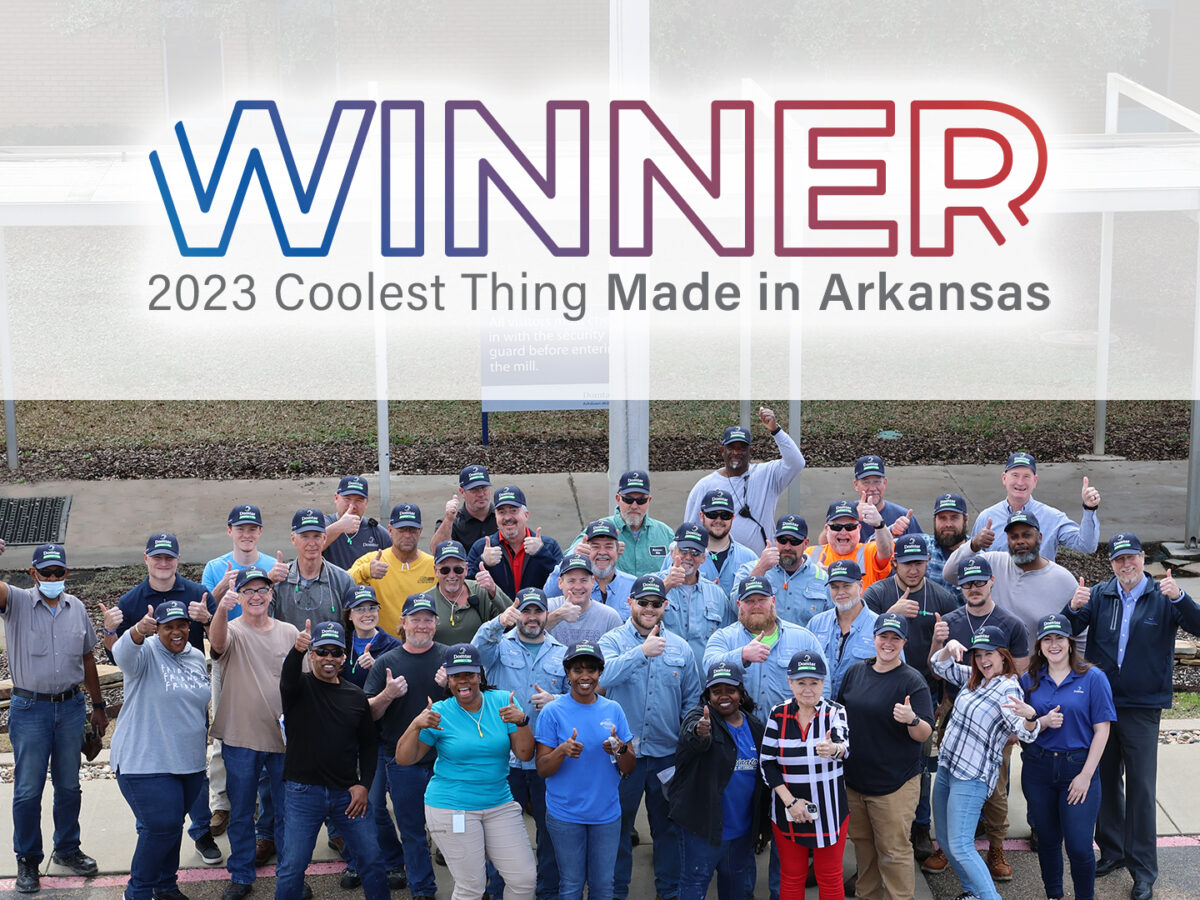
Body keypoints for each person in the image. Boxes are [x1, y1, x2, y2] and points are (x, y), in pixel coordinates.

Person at [1062, 532, 1200, 900]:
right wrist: (1073, 608)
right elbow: (1063, 631)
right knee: (1104, 780)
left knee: (1141, 788)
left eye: (1132, 557)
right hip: (1102, 705)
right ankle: (1112, 851)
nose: (1126, 564)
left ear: (1142, 558)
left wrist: (1182, 598)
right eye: (1118, 559)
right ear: (1112, 564)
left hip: (1142, 706)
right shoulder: (1100, 595)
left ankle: (1143, 870)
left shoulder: (1164, 596)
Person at [101, 532, 222, 867]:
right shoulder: (131, 601)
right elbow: (120, 656)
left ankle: (201, 832)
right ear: (146, 559)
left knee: (193, 772)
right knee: (159, 821)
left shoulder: (197, 594)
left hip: (191, 695)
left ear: (177, 560)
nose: (164, 563)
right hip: (153, 696)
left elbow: (219, 643)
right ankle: (150, 856)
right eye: (158, 558)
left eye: (170, 558)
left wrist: (208, 619)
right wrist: (115, 631)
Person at [1, 543, 107, 894]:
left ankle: (67, 848)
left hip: (71, 707)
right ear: (32, 574)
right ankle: (28, 859)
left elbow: (88, 658)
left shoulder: (76, 608)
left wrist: (99, 705)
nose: (51, 578)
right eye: (44, 573)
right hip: (31, 709)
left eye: (57, 572)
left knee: (69, 785)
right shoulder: (15, 602)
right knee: (28, 790)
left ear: (66, 573)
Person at [395, 643, 537, 900]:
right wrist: (415, 725)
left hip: (498, 802)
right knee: (471, 886)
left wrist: (522, 721)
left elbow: (525, 755)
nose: (463, 681)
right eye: (456, 675)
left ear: (479, 676)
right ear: (448, 679)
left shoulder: (504, 702)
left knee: (524, 879)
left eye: (469, 674)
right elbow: (405, 759)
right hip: (453, 806)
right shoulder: (439, 712)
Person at [925, 554, 1029, 879]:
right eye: (967, 583)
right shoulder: (952, 620)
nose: (973, 588)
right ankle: (948, 845)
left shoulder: (1011, 624)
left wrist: (1014, 724)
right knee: (950, 780)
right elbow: (937, 667)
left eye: (979, 582)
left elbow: (1021, 675)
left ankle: (996, 849)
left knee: (994, 788)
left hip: (996, 717)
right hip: (957, 712)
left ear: (991, 582)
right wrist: (937, 640)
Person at [598, 573, 702, 900]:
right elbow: (602, 676)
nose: (649, 608)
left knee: (668, 830)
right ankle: (615, 893)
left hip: (666, 757)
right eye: (643, 602)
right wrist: (641, 652)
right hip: (621, 757)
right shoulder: (612, 641)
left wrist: (691, 738)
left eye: (656, 604)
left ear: (664, 606)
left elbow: (691, 700)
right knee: (616, 829)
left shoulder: (681, 648)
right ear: (630, 603)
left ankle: (668, 893)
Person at [274, 621, 389, 900]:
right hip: (302, 793)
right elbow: (288, 677)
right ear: (311, 654)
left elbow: (369, 744)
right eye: (322, 651)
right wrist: (296, 651)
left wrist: (364, 785)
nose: (329, 658)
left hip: (347, 795)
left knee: (372, 860)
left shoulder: (355, 696)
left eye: (335, 653)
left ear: (344, 658)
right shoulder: (298, 688)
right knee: (292, 867)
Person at [860, 534, 956, 863]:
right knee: (878, 756)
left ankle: (919, 826)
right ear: (895, 562)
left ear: (928, 563)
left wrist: (945, 697)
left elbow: (954, 656)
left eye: (919, 563)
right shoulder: (877, 593)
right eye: (906, 563)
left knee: (920, 763)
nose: (913, 570)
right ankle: (879, 826)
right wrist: (890, 612)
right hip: (880, 688)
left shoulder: (942, 597)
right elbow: (858, 634)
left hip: (923, 692)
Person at [929, 626, 1044, 900]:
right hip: (947, 769)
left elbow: (1025, 731)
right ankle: (972, 892)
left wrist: (1030, 717)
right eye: (978, 654)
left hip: (972, 778)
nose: (983, 660)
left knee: (960, 845)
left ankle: (990, 897)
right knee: (945, 839)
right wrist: (949, 645)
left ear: (1003, 656)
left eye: (989, 653)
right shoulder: (975, 678)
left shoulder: (1007, 688)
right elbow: (939, 664)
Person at [109, 600, 212, 900]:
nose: (177, 632)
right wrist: (138, 631)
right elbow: (121, 654)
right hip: (145, 761)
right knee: (162, 826)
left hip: (188, 762)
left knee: (171, 827)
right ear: (158, 629)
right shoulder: (145, 652)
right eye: (169, 627)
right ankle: (138, 891)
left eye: (182, 625)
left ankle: (166, 886)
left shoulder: (194, 656)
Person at [208, 566, 300, 900]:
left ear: (271, 594)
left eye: (262, 590)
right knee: (243, 811)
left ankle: (290, 875)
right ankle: (241, 875)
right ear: (240, 598)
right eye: (248, 591)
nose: (256, 596)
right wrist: (220, 608)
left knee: (288, 813)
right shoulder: (231, 629)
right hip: (240, 740)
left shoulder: (290, 632)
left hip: (283, 743)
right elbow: (216, 644)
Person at [473, 587, 568, 900]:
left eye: (537, 611)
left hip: (546, 757)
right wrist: (498, 622)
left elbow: (578, 697)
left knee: (549, 832)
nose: (531, 617)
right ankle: (498, 891)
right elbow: (476, 651)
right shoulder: (499, 646)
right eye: (525, 611)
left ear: (545, 615)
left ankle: (547, 891)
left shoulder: (560, 651)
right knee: (500, 833)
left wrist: (556, 700)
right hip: (506, 759)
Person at [200, 504, 288, 838]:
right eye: (240, 529)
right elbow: (203, 613)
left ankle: (262, 808)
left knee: (269, 729)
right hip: (228, 654)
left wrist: (281, 579)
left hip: (267, 655)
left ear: (260, 532)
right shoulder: (214, 567)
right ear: (230, 531)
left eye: (252, 529)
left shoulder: (272, 566)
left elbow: (279, 609)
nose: (246, 534)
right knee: (226, 733)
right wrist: (221, 589)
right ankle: (223, 803)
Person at [836, 613, 933, 900]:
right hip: (855, 782)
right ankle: (868, 896)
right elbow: (840, 716)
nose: (888, 643)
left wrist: (912, 719)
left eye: (895, 638)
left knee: (893, 852)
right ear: (874, 638)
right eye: (883, 636)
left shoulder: (912, 682)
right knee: (864, 848)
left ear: (904, 642)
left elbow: (925, 734)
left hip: (894, 786)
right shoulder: (856, 672)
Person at [1018, 613, 1114, 900]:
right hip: (1038, 768)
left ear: (1070, 642)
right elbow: (1022, 730)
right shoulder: (1029, 680)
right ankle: (1054, 894)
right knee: (1047, 840)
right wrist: (1036, 720)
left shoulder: (1093, 677)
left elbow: (1102, 730)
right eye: (1047, 639)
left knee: (1078, 846)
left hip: (1077, 768)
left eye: (1059, 637)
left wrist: (1086, 776)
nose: (1053, 644)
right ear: (1040, 645)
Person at [363, 593, 449, 900]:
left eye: (428, 619)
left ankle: (471, 884)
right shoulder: (387, 663)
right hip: (402, 761)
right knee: (412, 832)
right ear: (403, 623)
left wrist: (450, 686)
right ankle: (423, 889)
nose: (422, 625)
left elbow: (476, 706)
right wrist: (387, 694)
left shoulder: (450, 657)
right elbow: (369, 714)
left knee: (458, 828)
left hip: (447, 760)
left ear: (436, 623)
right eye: (416, 619)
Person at [535, 640, 637, 900]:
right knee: (570, 884)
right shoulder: (552, 712)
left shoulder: (613, 709)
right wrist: (561, 750)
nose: (584, 676)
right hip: (565, 816)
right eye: (577, 669)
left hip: (606, 815)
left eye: (591, 669)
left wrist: (619, 749)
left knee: (604, 886)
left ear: (599, 673)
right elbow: (542, 769)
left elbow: (630, 766)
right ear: (567, 673)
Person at [670, 661, 768, 900]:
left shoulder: (754, 725)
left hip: (742, 832)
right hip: (703, 829)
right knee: (694, 884)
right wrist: (699, 731)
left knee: (738, 889)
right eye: (716, 691)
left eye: (730, 690)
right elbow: (693, 735)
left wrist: (761, 827)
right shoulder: (699, 718)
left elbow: (763, 778)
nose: (724, 696)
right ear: (708, 695)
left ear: (741, 693)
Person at [759, 650, 850, 900]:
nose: (808, 689)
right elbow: (767, 763)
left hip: (830, 812)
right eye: (801, 683)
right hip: (788, 810)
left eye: (814, 683)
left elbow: (844, 747)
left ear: (824, 683)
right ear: (790, 682)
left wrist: (834, 749)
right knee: (792, 875)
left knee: (830, 876)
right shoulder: (778, 714)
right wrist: (790, 802)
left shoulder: (835, 712)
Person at [338, 585, 406, 891]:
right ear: (349, 615)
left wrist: (374, 670)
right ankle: (355, 861)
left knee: (375, 804)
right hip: (342, 738)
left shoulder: (390, 646)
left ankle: (393, 860)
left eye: (371, 608)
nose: (367, 614)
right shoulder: (339, 644)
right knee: (345, 804)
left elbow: (395, 693)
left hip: (375, 739)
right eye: (360, 609)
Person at [948, 510, 1082, 651]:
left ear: (1040, 537)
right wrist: (973, 544)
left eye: (1026, 535)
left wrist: (1076, 670)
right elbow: (950, 574)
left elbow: (1080, 635)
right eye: (1014, 537)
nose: (1020, 541)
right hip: (987, 665)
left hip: (1035, 670)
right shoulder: (992, 562)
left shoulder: (1063, 580)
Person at [684, 407, 805, 554]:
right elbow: (692, 530)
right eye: (731, 447)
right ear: (722, 451)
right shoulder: (704, 486)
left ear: (751, 452)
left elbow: (797, 463)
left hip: (762, 565)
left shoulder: (767, 474)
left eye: (742, 448)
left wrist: (775, 430)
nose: (736, 452)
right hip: (719, 567)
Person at [970, 452, 1101, 561]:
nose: (1020, 482)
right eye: (1015, 475)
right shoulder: (987, 518)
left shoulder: (1053, 517)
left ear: (1035, 481)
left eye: (1026, 476)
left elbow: (1086, 546)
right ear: (1004, 478)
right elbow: (972, 560)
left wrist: (1089, 509)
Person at [349, 502, 437, 637]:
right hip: (381, 648)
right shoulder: (372, 561)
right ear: (390, 530)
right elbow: (344, 583)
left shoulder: (433, 565)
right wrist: (366, 571)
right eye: (401, 530)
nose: (407, 535)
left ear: (421, 531)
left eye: (412, 530)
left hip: (421, 645)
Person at [566, 470, 675, 577]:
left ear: (649, 500)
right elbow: (566, 561)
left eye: (641, 500)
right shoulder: (597, 528)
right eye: (628, 499)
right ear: (618, 498)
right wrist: (576, 553)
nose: (634, 506)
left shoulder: (666, 533)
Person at [660, 523, 736, 669]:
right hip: (664, 682)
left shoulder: (717, 594)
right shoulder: (653, 583)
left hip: (703, 680)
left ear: (703, 559)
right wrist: (667, 585)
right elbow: (638, 619)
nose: (688, 557)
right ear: (672, 553)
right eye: (683, 551)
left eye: (695, 552)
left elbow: (729, 639)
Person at [467, 486, 565, 599]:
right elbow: (466, 588)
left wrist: (542, 554)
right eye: (501, 512)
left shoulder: (549, 546)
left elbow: (562, 584)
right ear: (496, 517)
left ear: (526, 515)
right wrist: (482, 561)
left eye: (513, 511)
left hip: (537, 614)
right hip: (497, 615)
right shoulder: (481, 547)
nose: (507, 517)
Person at [735, 514, 831, 629]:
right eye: (782, 540)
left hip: (805, 646)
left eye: (794, 541)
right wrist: (761, 568)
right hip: (760, 645)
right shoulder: (750, 569)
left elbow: (831, 621)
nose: (787, 547)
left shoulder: (822, 578)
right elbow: (733, 607)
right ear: (775, 540)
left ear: (806, 543)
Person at [271, 508, 355, 630]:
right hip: (287, 649)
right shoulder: (280, 579)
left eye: (316, 536)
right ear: (293, 539)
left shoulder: (342, 580)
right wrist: (268, 582)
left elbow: (353, 629)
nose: (312, 543)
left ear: (324, 538)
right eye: (305, 537)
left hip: (331, 649)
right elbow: (260, 622)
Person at [806, 560, 878, 700]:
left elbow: (896, 676)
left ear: (860, 586)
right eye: (835, 587)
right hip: (820, 713)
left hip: (860, 714)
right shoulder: (816, 624)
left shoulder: (879, 627)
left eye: (847, 586)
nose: (840, 592)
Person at [544, 520, 635, 619]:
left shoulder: (633, 585)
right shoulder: (574, 586)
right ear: (585, 549)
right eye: (595, 547)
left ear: (617, 551)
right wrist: (572, 555)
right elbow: (547, 596)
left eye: (609, 546)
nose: (602, 552)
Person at [427, 539, 511, 644]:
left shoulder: (481, 591)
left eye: (458, 569)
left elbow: (514, 622)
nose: (452, 575)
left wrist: (493, 590)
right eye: (445, 570)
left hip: (479, 659)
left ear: (466, 569)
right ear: (436, 571)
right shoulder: (427, 600)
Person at [805, 499, 894, 588]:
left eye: (850, 527)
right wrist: (813, 574)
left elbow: (887, 551)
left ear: (859, 528)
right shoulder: (810, 554)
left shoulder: (869, 551)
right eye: (836, 527)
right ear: (827, 529)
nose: (843, 532)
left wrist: (879, 524)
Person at [546, 553, 623, 646]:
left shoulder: (610, 617)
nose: (578, 587)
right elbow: (527, 637)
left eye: (584, 580)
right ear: (560, 583)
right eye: (571, 581)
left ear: (592, 582)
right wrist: (558, 615)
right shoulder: (547, 608)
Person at [690, 489, 758, 596]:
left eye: (725, 515)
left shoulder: (750, 558)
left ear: (732, 517)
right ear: (701, 516)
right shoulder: (681, 557)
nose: (718, 520)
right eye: (712, 514)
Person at [322, 476, 392, 571]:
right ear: (336, 498)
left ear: (366, 503)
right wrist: (340, 526)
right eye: (347, 499)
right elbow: (309, 548)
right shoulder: (324, 523)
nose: (352, 506)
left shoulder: (377, 533)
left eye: (359, 500)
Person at [846, 455, 922, 543]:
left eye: (877, 481)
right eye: (866, 483)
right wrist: (853, 518)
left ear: (885, 482)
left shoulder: (903, 516)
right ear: (856, 485)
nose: (872, 488)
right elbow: (826, 547)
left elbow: (926, 550)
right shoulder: (846, 513)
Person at [429, 464, 499, 552]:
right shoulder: (453, 522)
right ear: (462, 492)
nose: (481, 494)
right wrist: (449, 520)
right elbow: (436, 551)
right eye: (474, 489)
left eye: (484, 488)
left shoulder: (503, 517)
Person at [925, 493, 969, 604]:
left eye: (954, 517)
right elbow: (879, 548)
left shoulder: (979, 555)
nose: (948, 524)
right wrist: (890, 530)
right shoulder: (923, 546)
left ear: (966, 519)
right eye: (942, 518)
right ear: (935, 520)